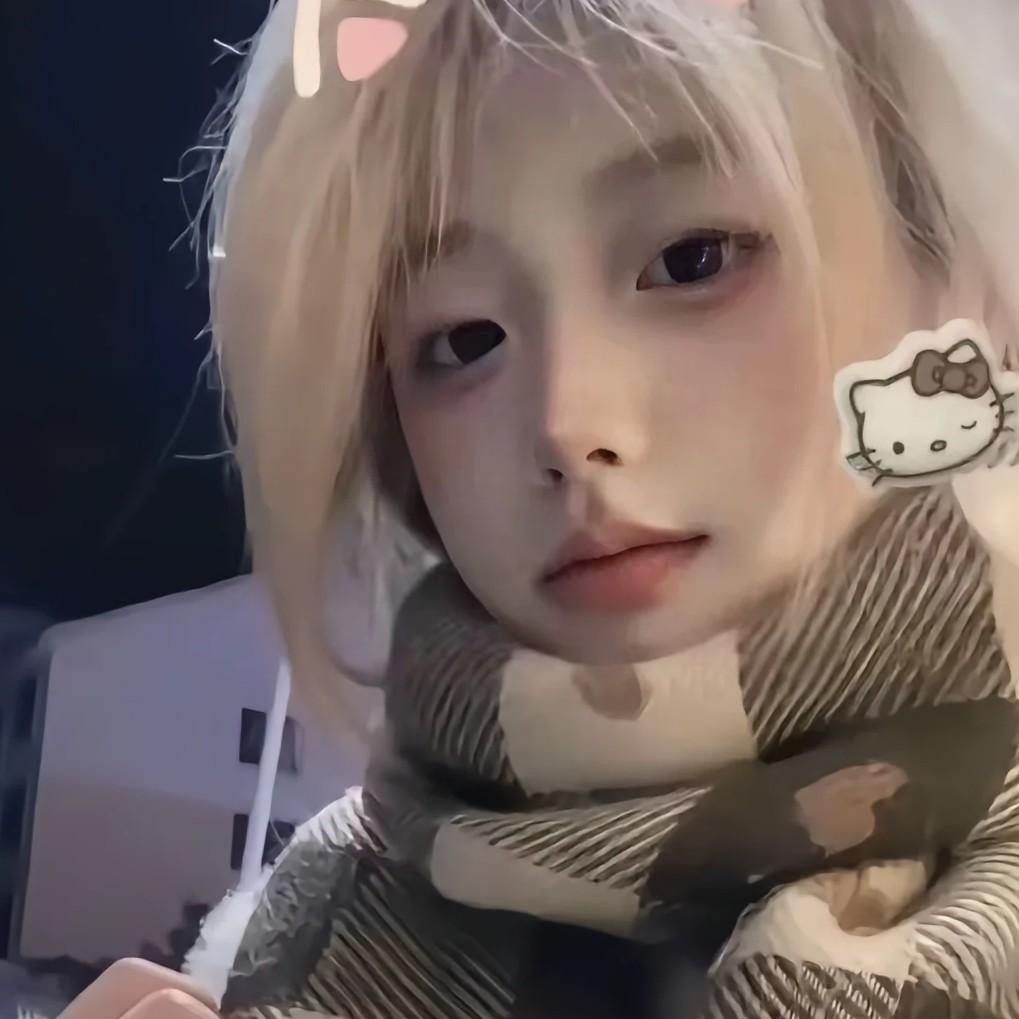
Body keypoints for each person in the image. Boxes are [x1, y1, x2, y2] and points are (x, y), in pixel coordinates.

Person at [171, 0, 1019, 1016]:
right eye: (461, 339)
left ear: (952, 268)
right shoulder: (296, 942)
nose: (566, 424)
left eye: (694, 258)